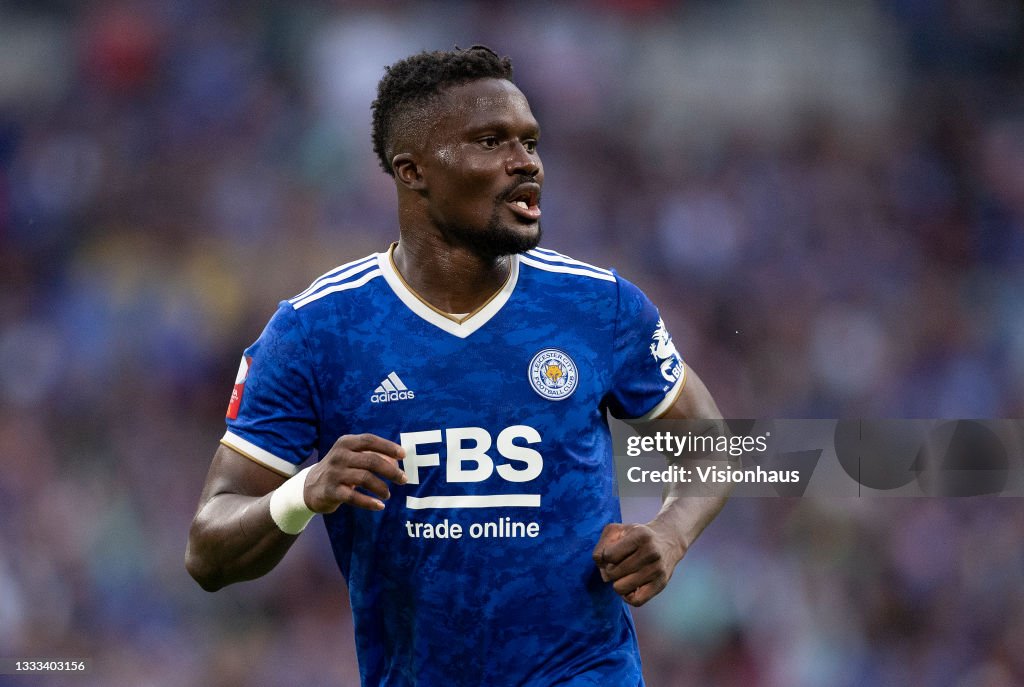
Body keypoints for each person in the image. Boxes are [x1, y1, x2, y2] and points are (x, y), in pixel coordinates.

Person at [186, 45, 728, 686]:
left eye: (530, 142)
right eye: (490, 142)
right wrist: (301, 493)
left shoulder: (598, 306)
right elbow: (207, 551)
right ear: (412, 171)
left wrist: (670, 532)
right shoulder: (317, 331)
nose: (524, 164)